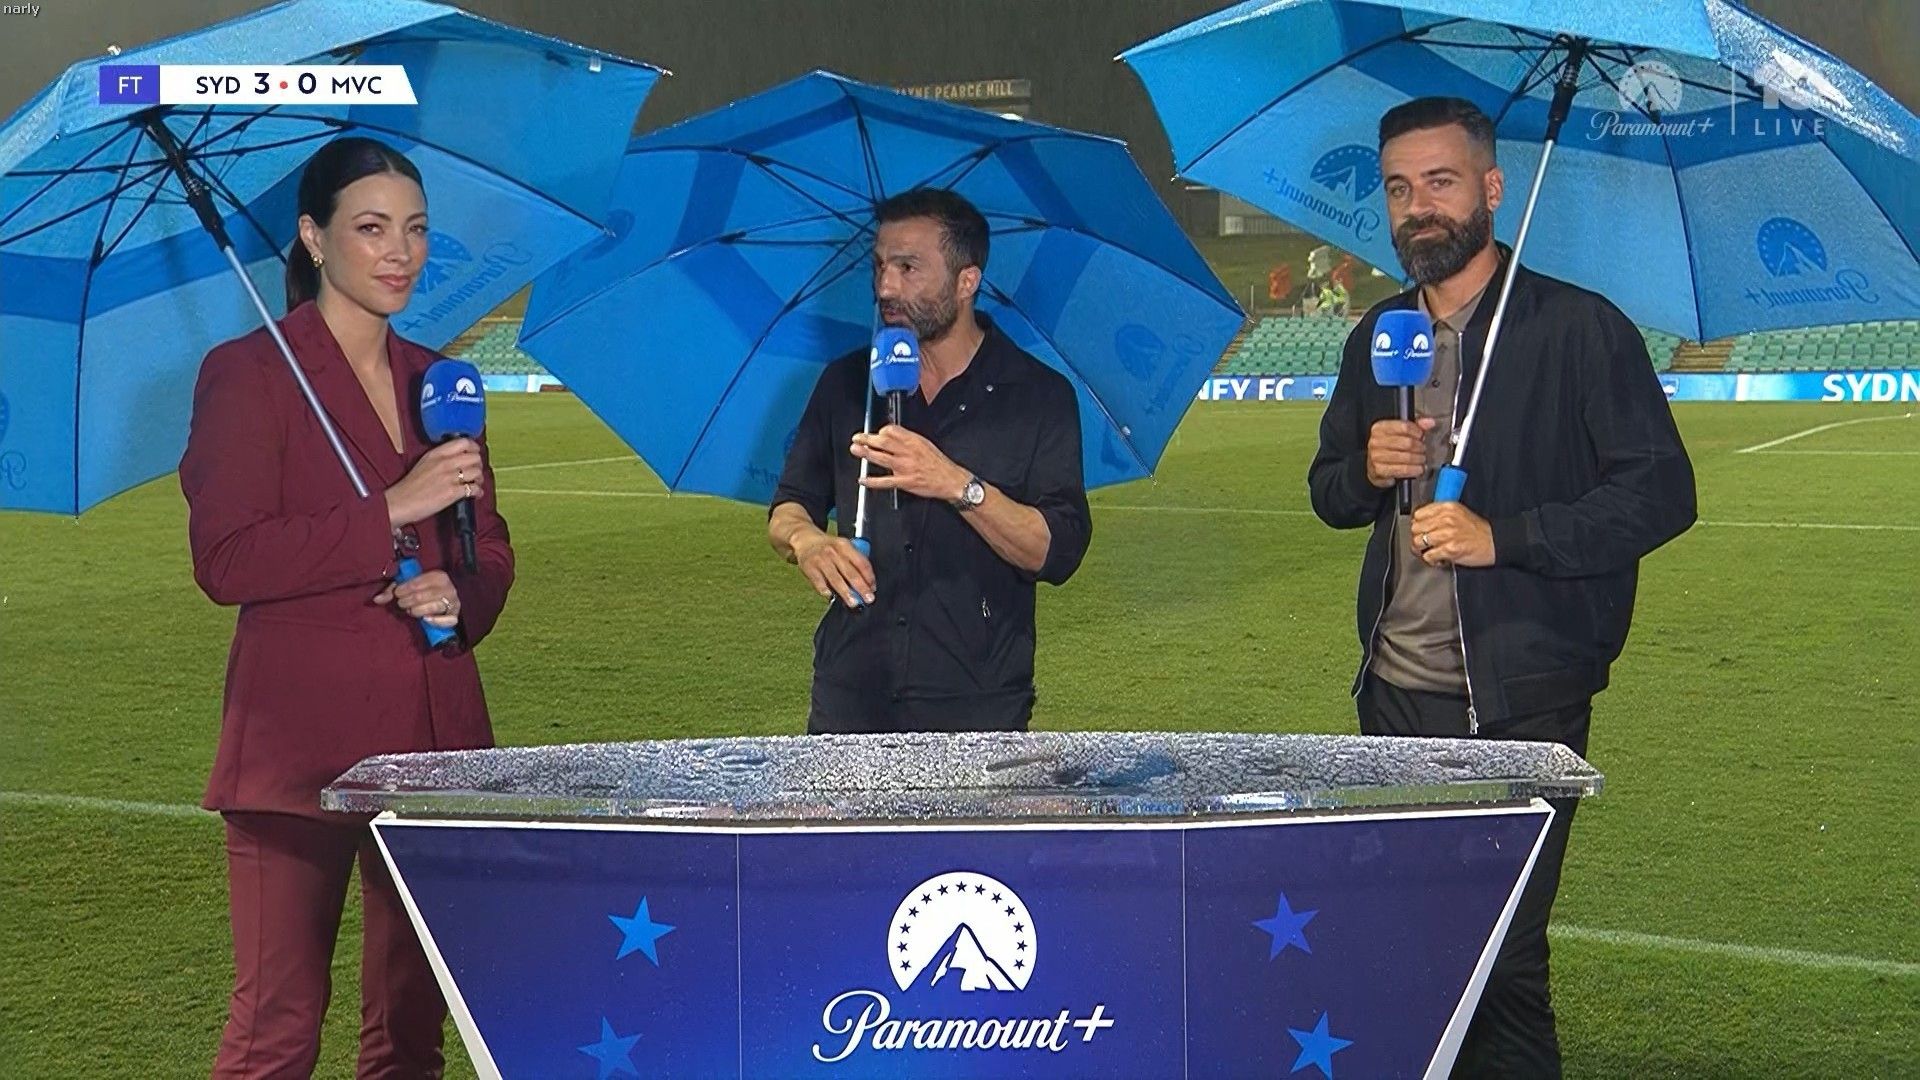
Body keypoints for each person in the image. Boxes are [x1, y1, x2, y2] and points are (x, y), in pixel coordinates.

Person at [1307, 97, 1696, 1077]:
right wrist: (1367, 470)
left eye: (1440, 182)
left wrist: (1504, 539)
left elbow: (1661, 493)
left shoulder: (1578, 328)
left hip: (1522, 698)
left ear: (1491, 189)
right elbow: (1329, 496)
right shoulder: (1379, 333)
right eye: (1399, 188)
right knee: (1412, 938)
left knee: (1502, 955)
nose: (1417, 207)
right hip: (1394, 695)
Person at [180, 136, 514, 1078]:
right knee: (278, 1028)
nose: (400, 252)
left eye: (415, 229)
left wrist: (461, 594)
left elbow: (488, 548)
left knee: (411, 1028)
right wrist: (389, 512)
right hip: (297, 748)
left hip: (435, 741)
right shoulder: (248, 372)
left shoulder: (442, 381)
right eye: (372, 229)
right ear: (314, 238)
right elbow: (227, 558)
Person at [767, 188, 1091, 735]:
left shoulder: (1039, 396)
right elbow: (788, 508)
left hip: (977, 710)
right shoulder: (846, 384)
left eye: (908, 268)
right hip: (848, 701)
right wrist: (808, 542)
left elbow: (1055, 552)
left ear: (967, 281)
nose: (885, 287)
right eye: (879, 267)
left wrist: (956, 484)